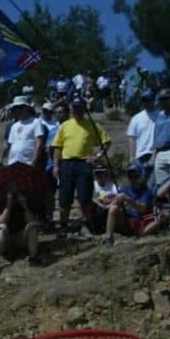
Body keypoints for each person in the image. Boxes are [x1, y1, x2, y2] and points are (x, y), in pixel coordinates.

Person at [51, 98, 111, 236]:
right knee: (65, 197)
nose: (76, 111)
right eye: (74, 108)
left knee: (85, 197)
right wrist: (55, 165)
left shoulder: (92, 125)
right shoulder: (65, 125)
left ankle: (85, 225)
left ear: (84, 109)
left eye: (79, 108)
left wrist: (97, 156)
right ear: (71, 109)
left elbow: (106, 142)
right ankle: (64, 225)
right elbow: (57, 147)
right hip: (66, 163)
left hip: (84, 164)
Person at [105, 164, 162, 244]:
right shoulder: (124, 189)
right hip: (126, 220)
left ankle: (139, 235)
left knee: (157, 222)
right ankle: (109, 238)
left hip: (138, 222)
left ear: (140, 176)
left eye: (135, 176)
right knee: (113, 208)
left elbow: (142, 208)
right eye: (130, 176)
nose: (133, 179)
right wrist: (113, 201)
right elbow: (114, 202)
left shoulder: (147, 192)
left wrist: (127, 199)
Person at [126, 90, 157, 174]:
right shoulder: (136, 118)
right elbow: (132, 138)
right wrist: (132, 157)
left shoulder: (161, 116)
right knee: (141, 181)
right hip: (140, 156)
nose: (146, 103)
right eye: (144, 100)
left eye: (148, 100)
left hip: (156, 154)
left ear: (154, 100)